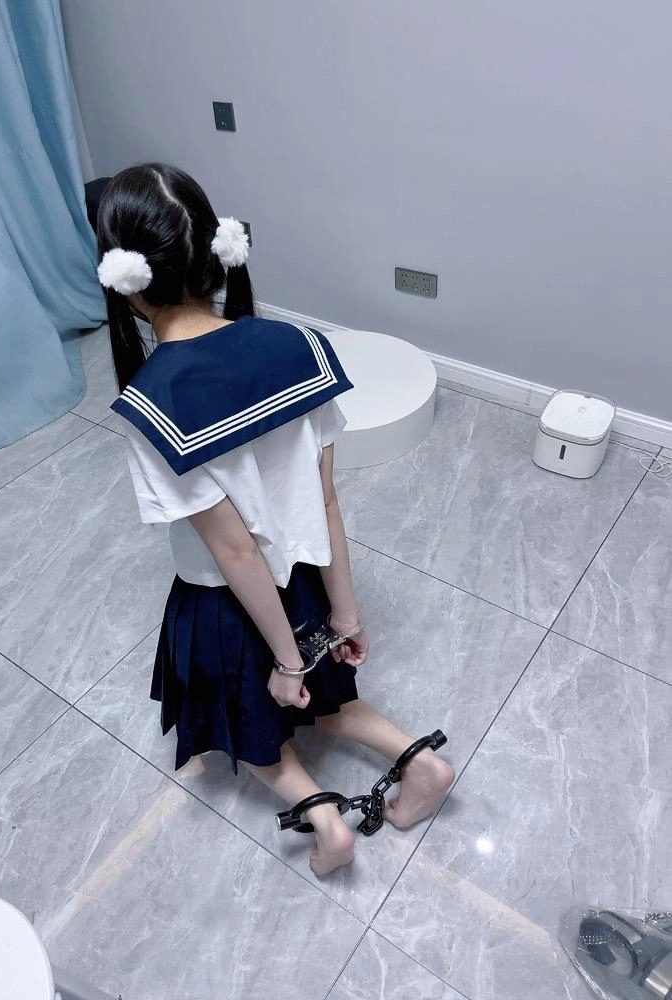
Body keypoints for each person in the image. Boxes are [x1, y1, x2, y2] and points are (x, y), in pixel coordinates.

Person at [96, 163, 455, 876]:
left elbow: (235, 554)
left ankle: (326, 822)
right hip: (306, 587)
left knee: (252, 733)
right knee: (329, 703)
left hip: (224, 613)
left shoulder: (152, 401)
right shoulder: (299, 347)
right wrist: (344, 614)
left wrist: (285, 663)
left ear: (125, 280)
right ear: (214, 254)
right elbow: (327, 501)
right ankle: (421, 763)